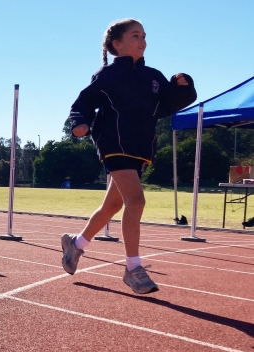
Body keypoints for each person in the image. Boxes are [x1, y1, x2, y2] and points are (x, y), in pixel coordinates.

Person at [61, 18, 196, 294]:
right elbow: (84, 102)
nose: (142, 40)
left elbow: (167, 105)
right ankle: (133, 268)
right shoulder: (107, 75)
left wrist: (184, 86)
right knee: (136, 200)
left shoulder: (153, 77)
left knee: (112, 206)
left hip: (140, 149)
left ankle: (76, 245)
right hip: (113, 144)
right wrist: (79, 122)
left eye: (144, 35)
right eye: (135, 35)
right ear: (117, 44)